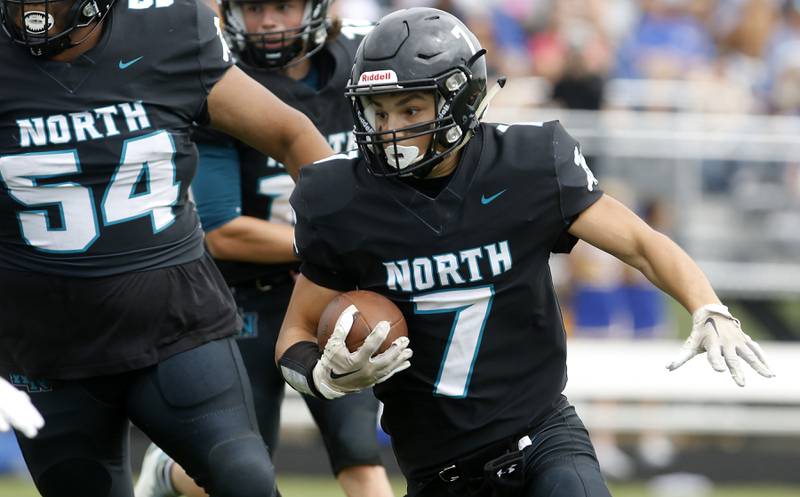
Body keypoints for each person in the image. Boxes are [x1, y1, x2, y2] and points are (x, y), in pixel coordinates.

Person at [274, 8, 776, 497]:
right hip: (434, 466)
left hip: (541, 436)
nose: (390, 128)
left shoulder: (526, 166)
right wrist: (323, 378)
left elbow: (642, 244)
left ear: (462, 98)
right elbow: (294, 333)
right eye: (379, 110)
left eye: (410, 109)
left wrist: (706, 303)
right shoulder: (339, 196)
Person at [0, 0, 335, 495]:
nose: (33, 11)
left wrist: (344, 257)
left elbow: (292, 136)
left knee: (245, 479)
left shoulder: (170, 28)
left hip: (177, 324)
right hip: (44, 348)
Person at [134, 1, 393, 497]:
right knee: (233, 469)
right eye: (253, 8)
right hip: (242, 297)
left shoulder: (364, 65)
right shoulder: (221, 78)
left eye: (283, 6)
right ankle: (165, 474)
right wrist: (326, 246)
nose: (268, 22)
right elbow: (224, 230)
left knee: (360, 453)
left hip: (329, 289)